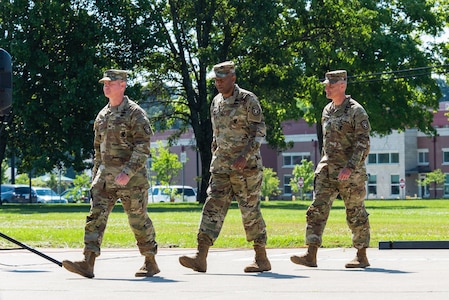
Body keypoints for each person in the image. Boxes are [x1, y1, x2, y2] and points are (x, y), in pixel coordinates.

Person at [62, 69, 160, 278]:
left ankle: (150, 260)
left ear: (122, 85)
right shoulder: (102, 115)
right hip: (105, 179)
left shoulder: (135, 113)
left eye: (110, 82)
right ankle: (88, 262)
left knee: (138, 220)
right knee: (95, 217)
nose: (106, 86)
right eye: (104, 83)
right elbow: (98, 150)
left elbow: (143, 147)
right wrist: (95, 175)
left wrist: (127, 172)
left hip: (131, 180)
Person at [179, 61, 271, 273]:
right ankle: (200, 257)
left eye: (222, 80)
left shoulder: (248, 100)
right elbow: (216, 134)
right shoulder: (216, 102)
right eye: (216, 80)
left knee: (249, 211)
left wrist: (244, 156)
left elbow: (259, 131)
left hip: (246, 168)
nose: (218, 84)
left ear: (233, 78)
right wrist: (215, 154)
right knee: (212, 208)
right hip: (220, 167)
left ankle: (261, 257)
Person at [290, 70, 371, 269]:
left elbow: (363, 143)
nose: (326, 88)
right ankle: (311, 254)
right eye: (326, 84)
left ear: (342, 86)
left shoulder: (356, 111)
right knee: (316, 210)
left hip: (350, 173)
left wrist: (350, 167)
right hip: (327, 170)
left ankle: (361, 255)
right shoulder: (327, 110)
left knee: (355, 212)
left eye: (330, 85)